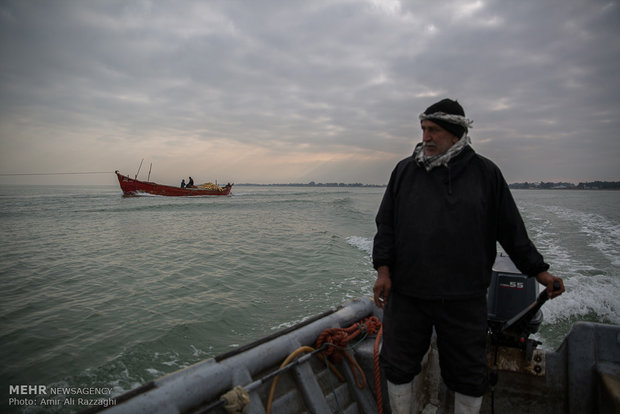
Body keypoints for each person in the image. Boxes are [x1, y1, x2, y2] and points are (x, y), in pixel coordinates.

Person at [372, 98, 565, 414]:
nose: (426, 137)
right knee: (398, 365)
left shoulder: (485, 174)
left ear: (455, 133)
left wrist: (540, 272)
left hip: (463, 297)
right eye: (423, 129)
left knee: (469, 374)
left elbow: (511, 230)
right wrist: (383, 271)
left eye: (433, 130)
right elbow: (386, 226)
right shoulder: (404, 172)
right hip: (408, 294)